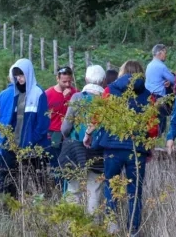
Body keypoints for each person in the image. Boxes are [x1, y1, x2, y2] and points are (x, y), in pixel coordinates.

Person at [84, 60, 151, 235]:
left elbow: (98, 116)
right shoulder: (148, 95)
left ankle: (112, 227)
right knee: (134, 191)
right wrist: (146, 143)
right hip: (136, 150)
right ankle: (133, 230)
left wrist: (88, 133)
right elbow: (153, 127)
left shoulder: (109, 91)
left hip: (112, 148)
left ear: (122, 72)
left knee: (110, 187)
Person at [0, 59, 50, 198]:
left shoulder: (38, 93)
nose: (19, 79)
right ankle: (10, 207)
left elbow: (43, 123)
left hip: (33, 147)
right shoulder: (14, 92)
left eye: (22, 75)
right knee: (12, 181)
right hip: (13, 145)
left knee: (39, 181)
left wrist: (31, 141)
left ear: (28, 73)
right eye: (17, 76)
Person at [60, 65, 105, 216]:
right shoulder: (105, 101)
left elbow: (65, 127)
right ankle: (93, 227)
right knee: (95, 189)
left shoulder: (77, 98)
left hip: (75, 148)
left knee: (73, 189)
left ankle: (73, 225)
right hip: (97, 150)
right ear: (103, 81)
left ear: (86, 79)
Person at [45, 65, 78, 187]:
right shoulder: (48, 94)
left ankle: (68, 187)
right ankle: (57, 187)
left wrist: (69, 97)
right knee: (56, 162)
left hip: (70, 133)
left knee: (70, 163)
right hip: (54, 133)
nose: (67, 84)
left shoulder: (75, 93)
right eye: (64, 81)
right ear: (57, 79)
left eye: (69, 81)